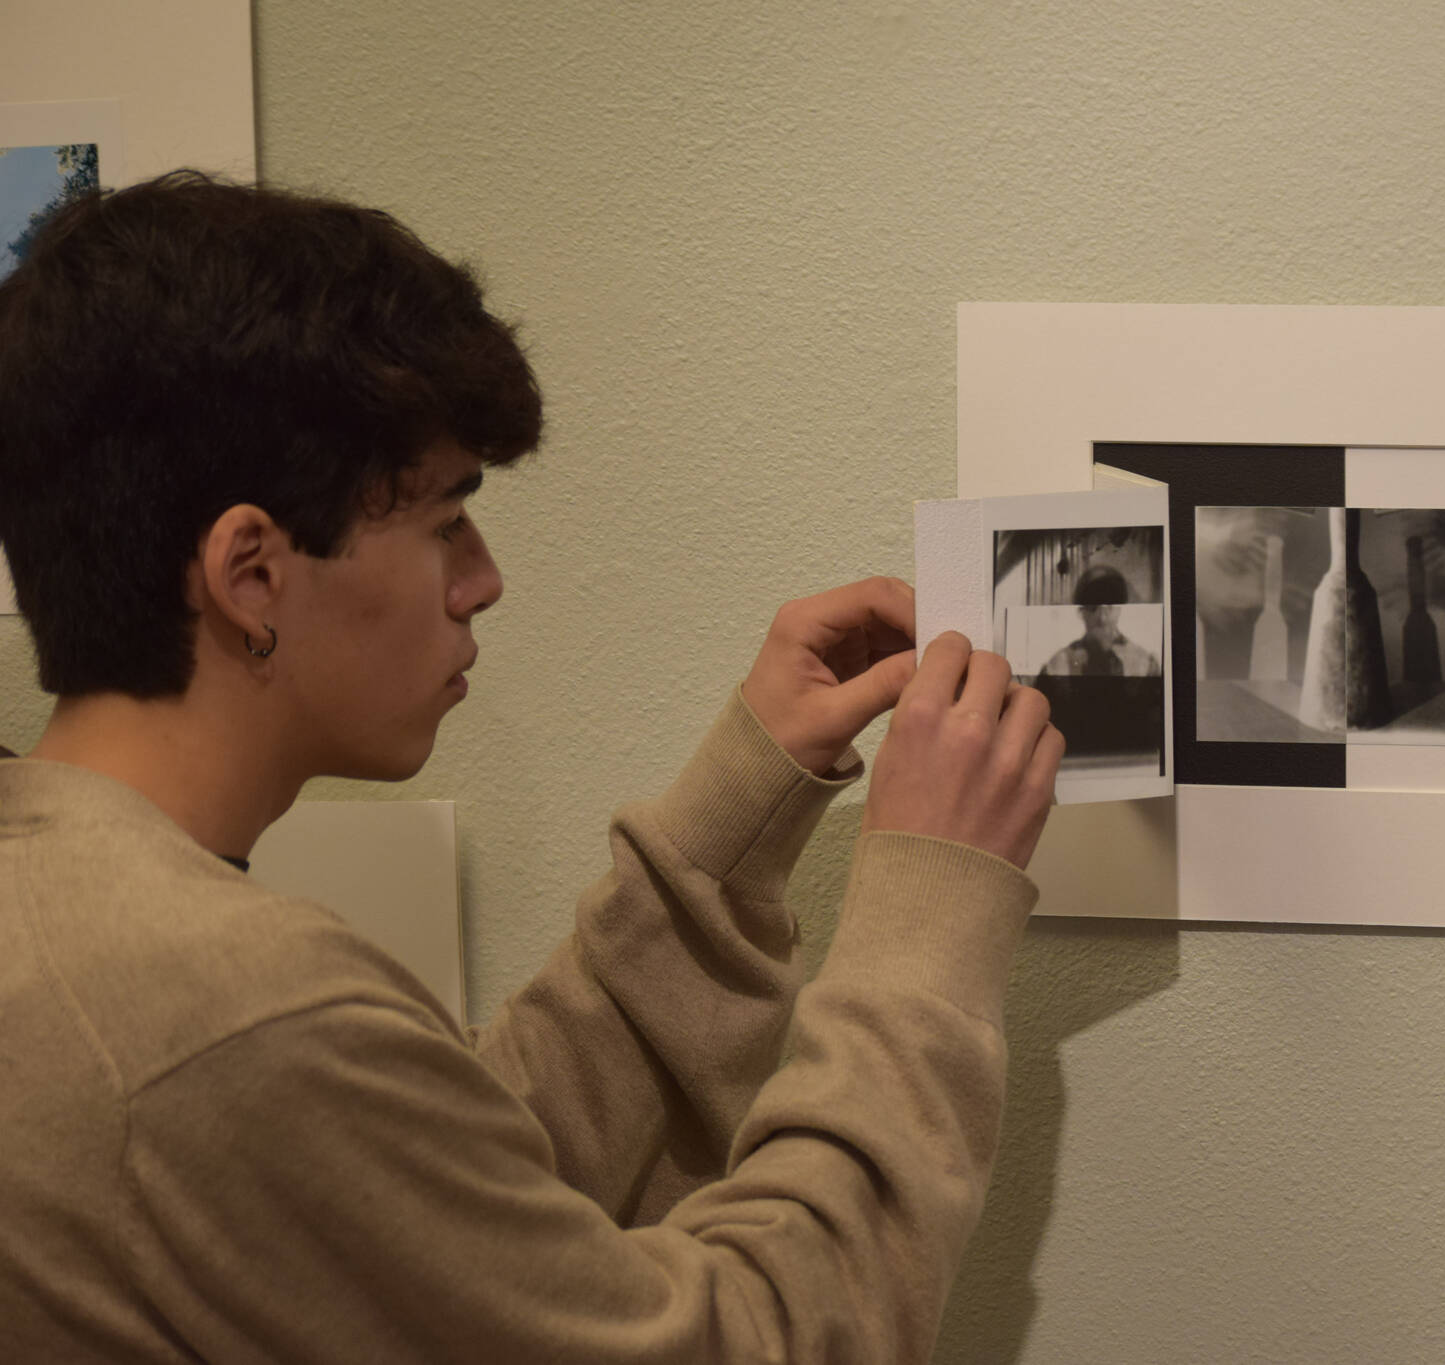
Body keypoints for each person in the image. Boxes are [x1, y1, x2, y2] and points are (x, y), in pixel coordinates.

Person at [0, 172, 1061, 1362]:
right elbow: (755, 1342)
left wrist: (734, 812)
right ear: (252, 573)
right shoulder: (219, 1008)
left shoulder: (66, 913)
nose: (484, 577)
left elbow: (453, 1209)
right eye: (446, 521)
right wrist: (926, 909)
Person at [1032, 564, 1161, 679]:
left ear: (1120, 609)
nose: (1102, 618)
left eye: (1110, 605)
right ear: (1081, 612)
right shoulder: (1057, 666)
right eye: (1093, 607)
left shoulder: (1145, 665)